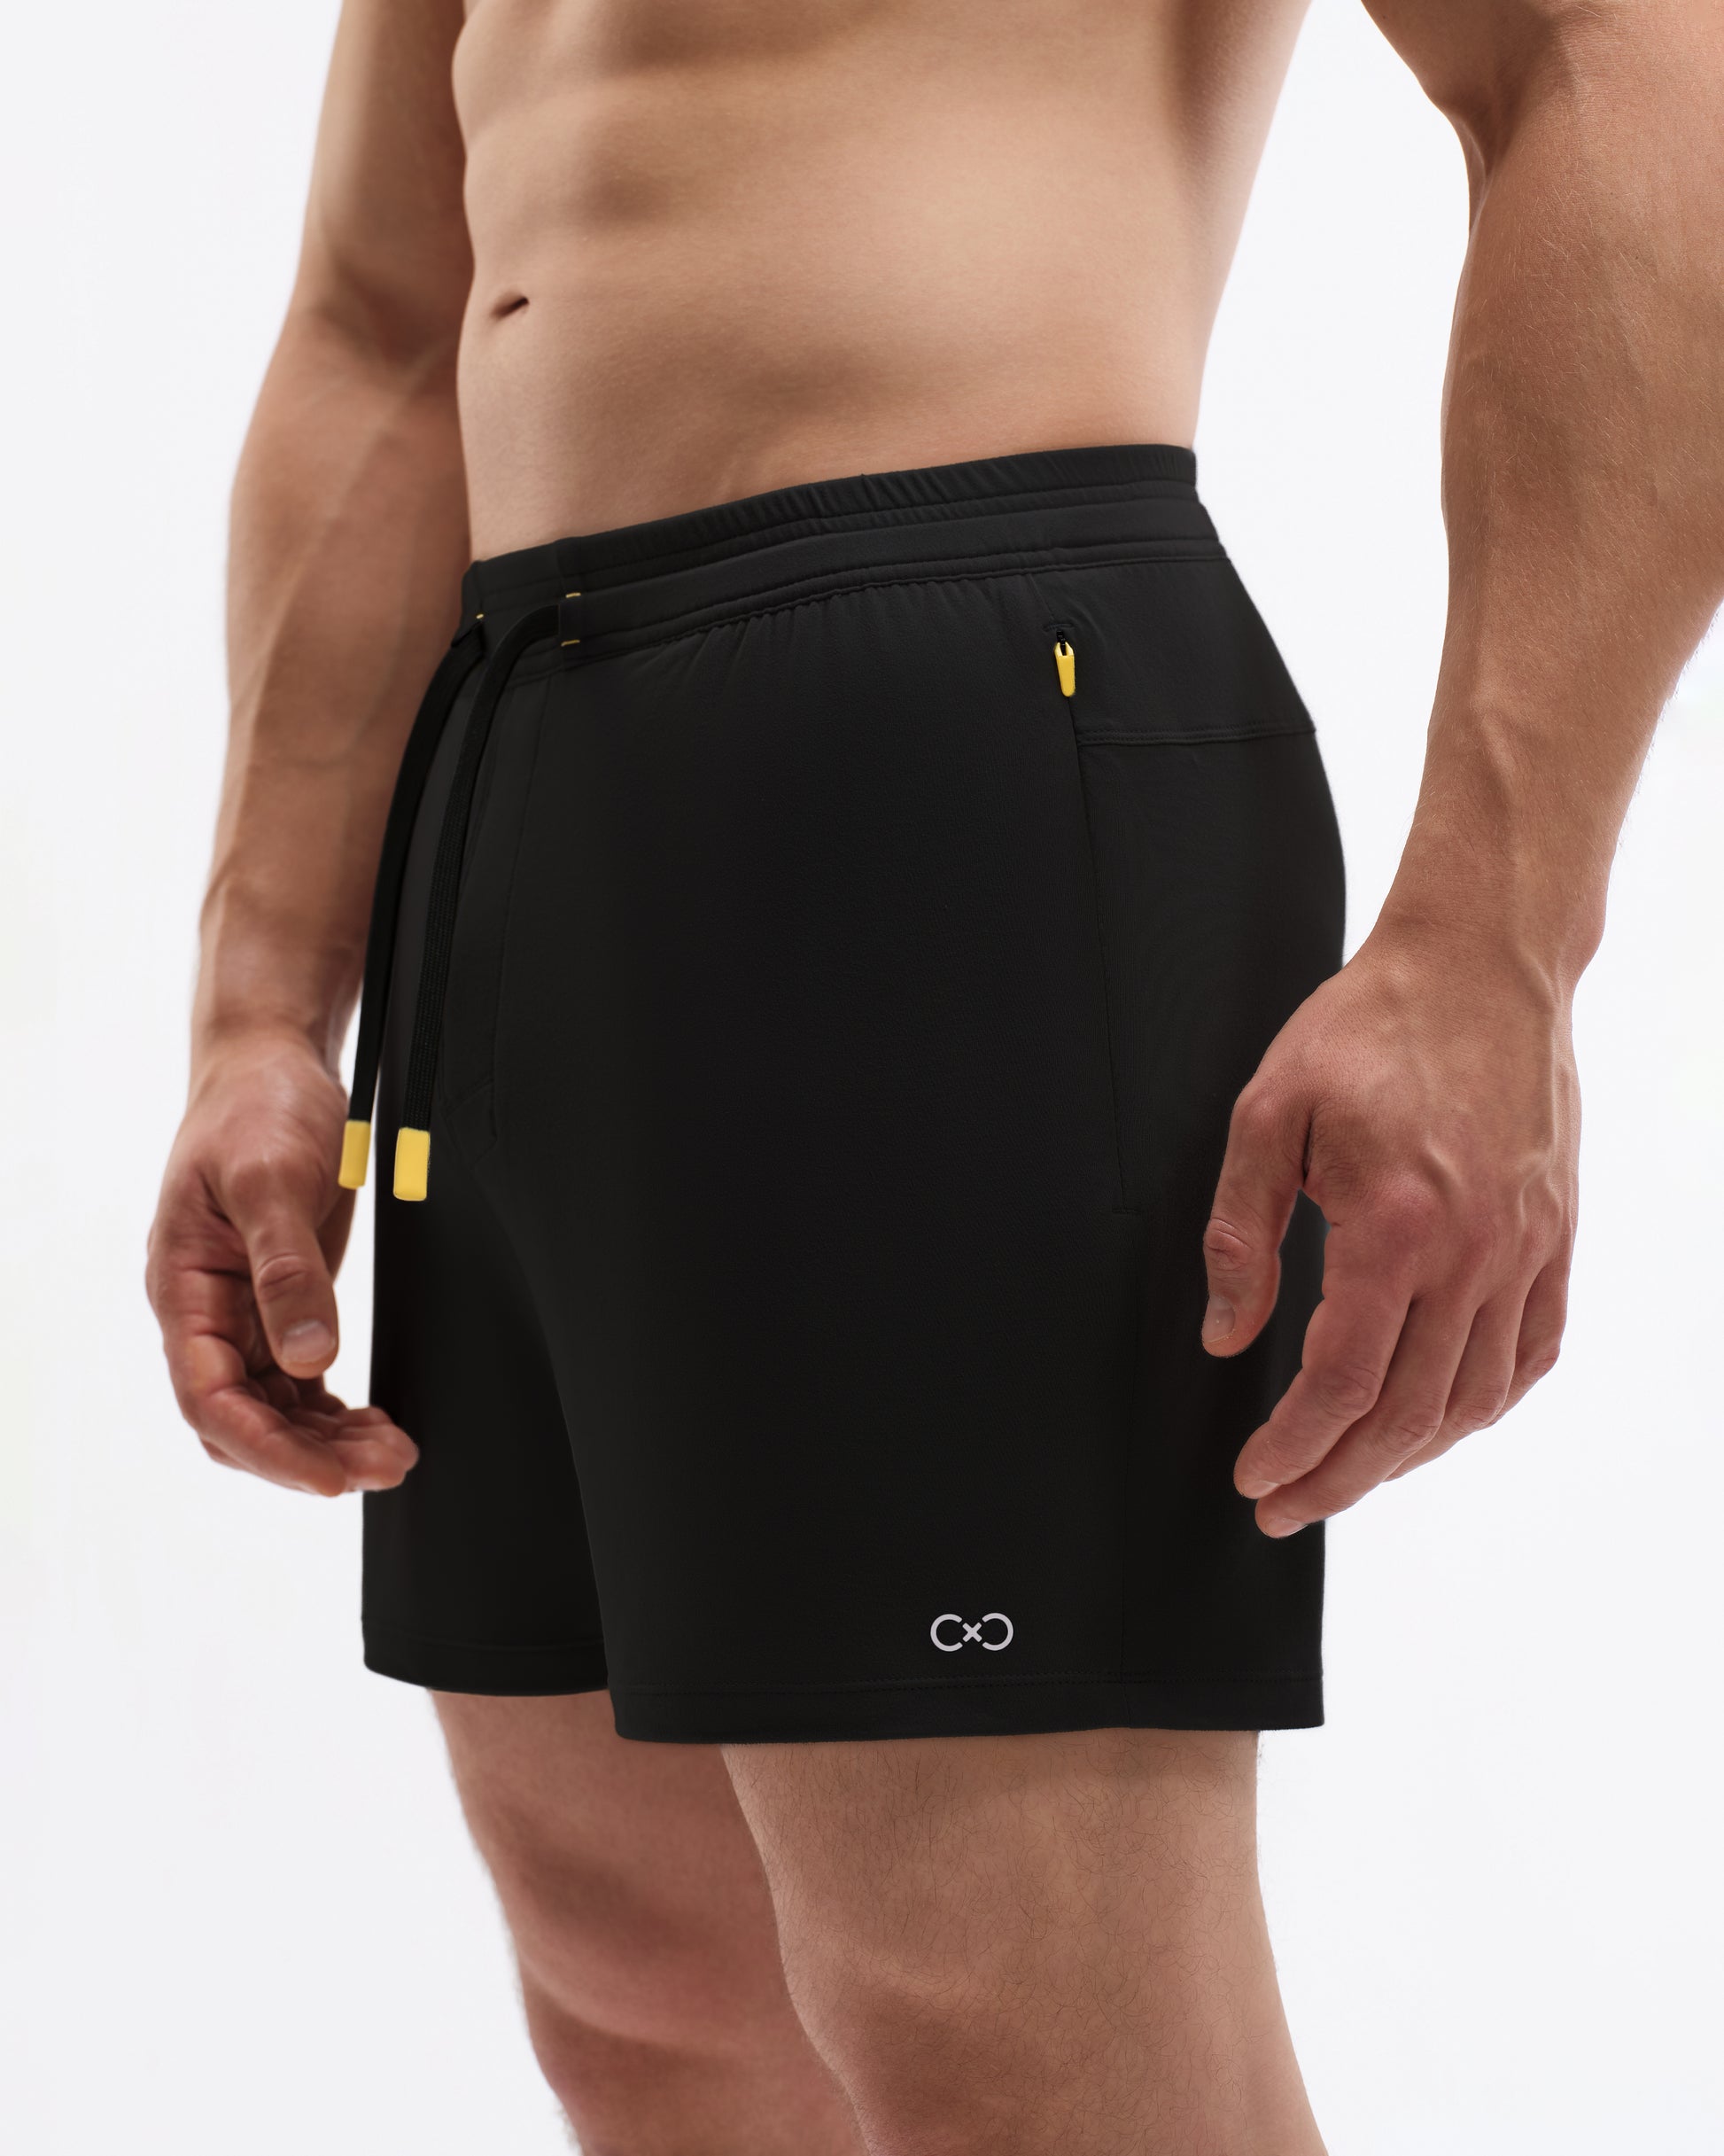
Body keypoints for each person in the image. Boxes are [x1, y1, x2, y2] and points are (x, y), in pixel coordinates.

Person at [144, 2, 1723, 2148]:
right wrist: (258, 1003)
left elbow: (1626, 72)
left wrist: (1495, 945)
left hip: (945, 728)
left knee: (1012, 2037)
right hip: (518, 768)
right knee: (642, 1981)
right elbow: (383, 322)